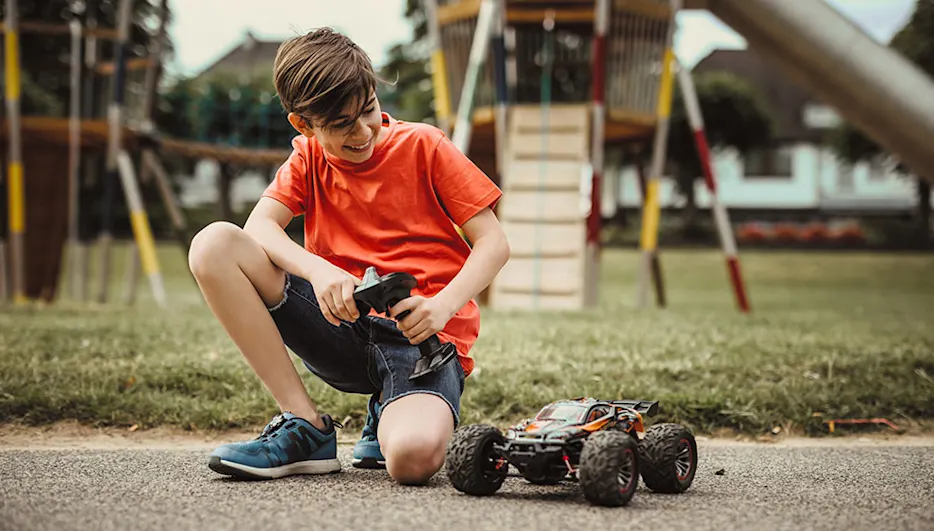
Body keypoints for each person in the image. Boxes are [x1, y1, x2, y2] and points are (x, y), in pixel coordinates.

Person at [186, 27, 510, 486]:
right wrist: (318, 271)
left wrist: (441, 307)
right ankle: (304, 425)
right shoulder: (307, 158)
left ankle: (389, 411)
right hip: (338, 323)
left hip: (419, 341)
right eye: (340, 125)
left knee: (413, 461)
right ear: (304, 124)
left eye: (368, 111)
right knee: (214, 244)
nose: (362, 133)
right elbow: (258, 226)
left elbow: (494, 243)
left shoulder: (426, 145)